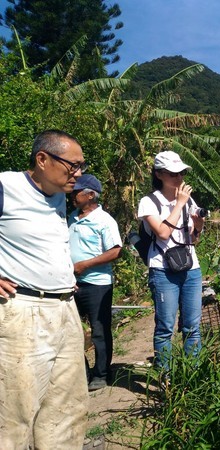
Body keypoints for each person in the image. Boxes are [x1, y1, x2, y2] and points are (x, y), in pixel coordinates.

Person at [0, 129, 89, 449]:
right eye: (73, 166)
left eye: (81, 167)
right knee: (15, 416)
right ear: (42, 159)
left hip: (65, 309)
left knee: (66, 410)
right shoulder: (6, 186)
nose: (78, 175)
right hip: (23, 311)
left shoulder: (57, 197)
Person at [137, 151, 205, 376]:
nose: (179, 178)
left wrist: (199, 224)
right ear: (159, 174)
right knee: (165, 327)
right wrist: (180, 203)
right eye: (174, 173)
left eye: (182, 173)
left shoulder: (189, 201)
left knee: (192, 327)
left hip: (190, 268)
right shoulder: (149, 202)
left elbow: (193, 239)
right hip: (163, 270)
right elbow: (163, 233)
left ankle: (191, 376)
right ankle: (165, 378)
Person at [68, 174, 123, 391]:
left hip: (97, 283)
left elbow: (116, 251)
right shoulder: (71, 217)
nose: (72, 195)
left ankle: (101, 374)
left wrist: (85, 265)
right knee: (71, 330)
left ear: (91, 195)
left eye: (77, 192)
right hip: (72, 283)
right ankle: (82, 372)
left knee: (99, 330)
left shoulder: (104, 220)